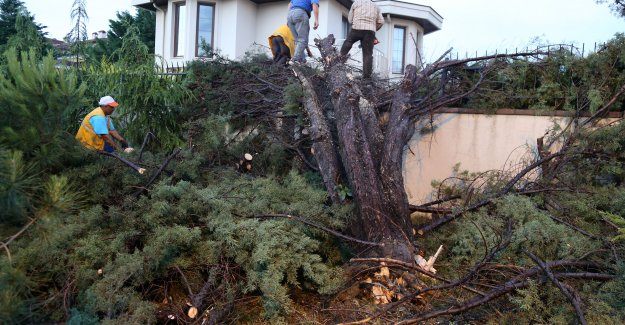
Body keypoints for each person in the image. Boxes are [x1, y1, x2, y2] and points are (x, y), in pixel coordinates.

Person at [340, 0, 384, 79]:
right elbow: (381, 21)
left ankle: (338, 60)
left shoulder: (356, 3)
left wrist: (357, 22)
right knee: (368, 55)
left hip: (356, 28)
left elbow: (350, 20)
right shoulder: (376, 6)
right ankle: (367, 78)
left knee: (348, 42)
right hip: (370, 32)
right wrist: (374, 28)